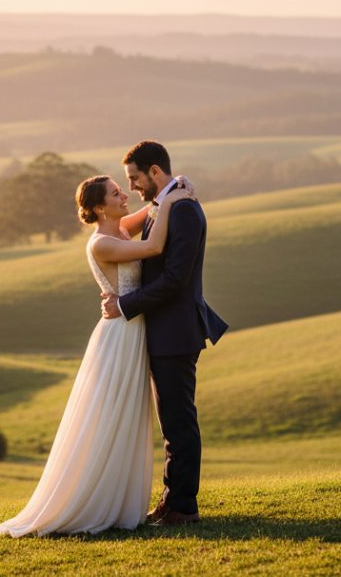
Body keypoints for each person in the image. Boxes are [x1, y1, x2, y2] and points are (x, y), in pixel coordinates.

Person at [0, 173, 191, 536]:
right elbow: (155, 246)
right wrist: (175, 200)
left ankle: (119, 500)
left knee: (127, 416)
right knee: (110, 415)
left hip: (133, 331)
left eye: (122, 189)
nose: (123, 196)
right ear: (99, 207)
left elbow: (149, 214)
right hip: (119, 335)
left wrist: (168, 192)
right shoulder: (102, 242)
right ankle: (92, 498)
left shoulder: (118, 229)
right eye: (116, 193)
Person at [102, 140, 228, 526]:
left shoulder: (185, 210)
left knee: (179, 423)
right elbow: (118, 226)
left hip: (175, 332)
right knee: (172, 422)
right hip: (164, 331)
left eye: (135, 178)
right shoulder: (167, 204)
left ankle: (183, 508)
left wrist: (125, 306)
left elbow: (175, 280)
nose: (134, 186)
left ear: (155, 171)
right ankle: (171, 501)